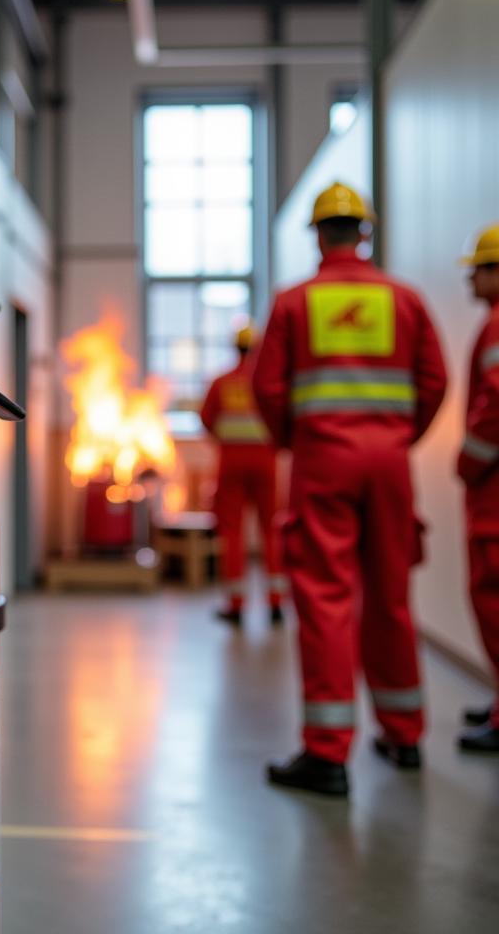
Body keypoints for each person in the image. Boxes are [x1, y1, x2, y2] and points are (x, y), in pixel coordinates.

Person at [252, 181, 447, 797]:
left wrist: (297, 440)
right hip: (389, 464)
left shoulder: (294, 303)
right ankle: (405, 734)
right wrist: (396, 437)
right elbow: (434, 380)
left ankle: (328, 753)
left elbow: (268, 388)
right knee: (390, 595)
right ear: (365, 231)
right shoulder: (405, 299)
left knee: (326, 598)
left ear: (319, 235)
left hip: (323, 463)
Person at [199, 323, 285, 626]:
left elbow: (206, 419)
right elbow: (282, 417)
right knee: (272, 530)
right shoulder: (270, 380)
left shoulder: (222, 382)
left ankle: (236, 605)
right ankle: (276, 604)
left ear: (235, 347)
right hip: (266, 463)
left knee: (232, 532)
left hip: (231, 463)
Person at [454, 224, 499, 752]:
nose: (469, 280)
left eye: (478, 269)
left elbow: (496, 409)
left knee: (491, 601)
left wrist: (468, 461)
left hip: (493, 498)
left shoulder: (495, 327)